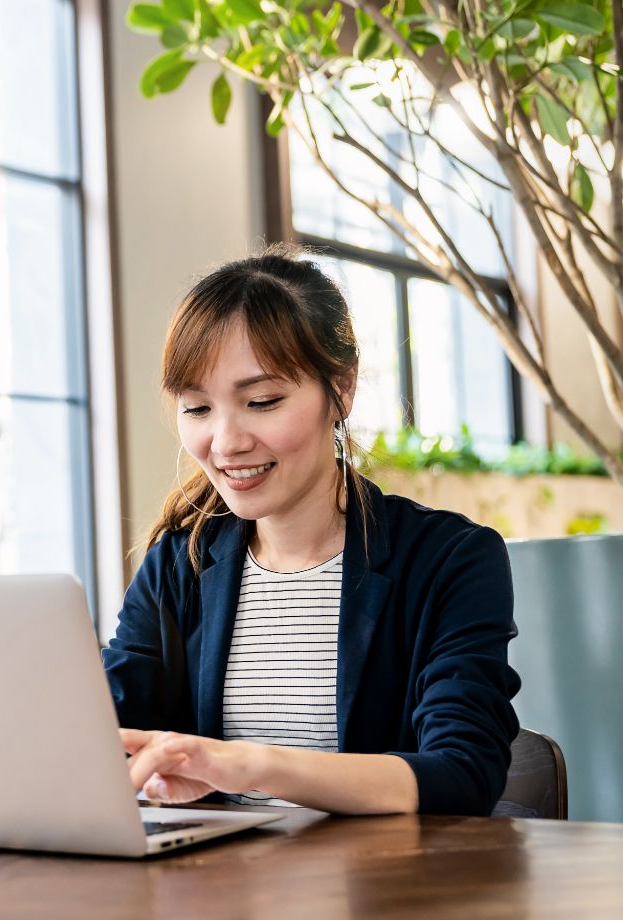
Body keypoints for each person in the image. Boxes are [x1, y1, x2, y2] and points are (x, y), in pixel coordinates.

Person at [103, 245, 520, 816]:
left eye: (262, 401)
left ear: (341, 390)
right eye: (197, 408)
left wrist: (249, 764)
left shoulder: (449, 559)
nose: (225, 443)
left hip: (380, 894)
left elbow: (463, 771)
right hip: (216, 893)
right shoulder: (181, 562)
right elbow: (101, 731)